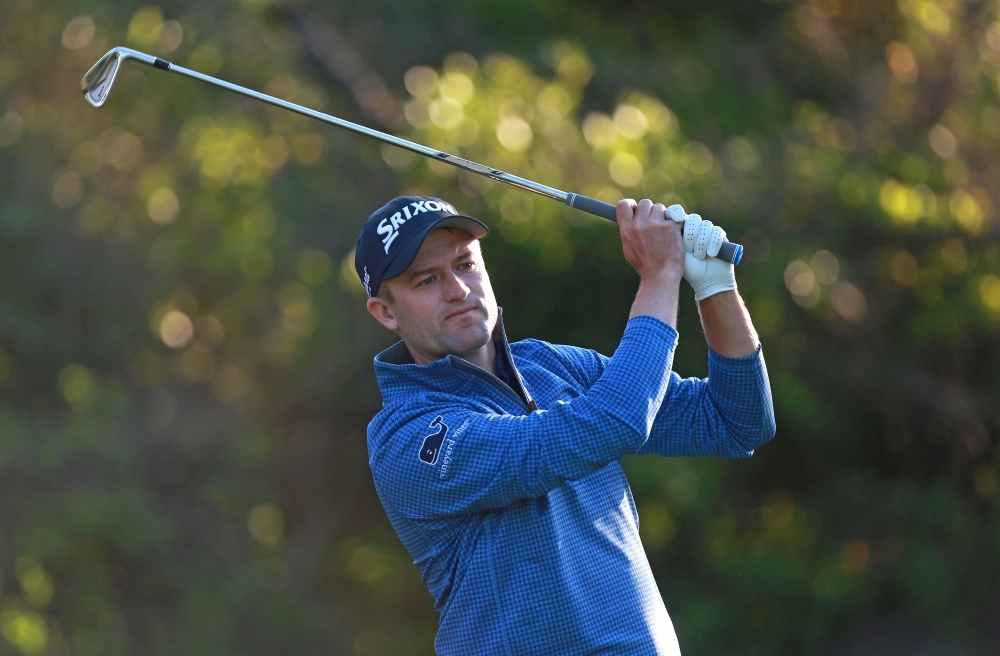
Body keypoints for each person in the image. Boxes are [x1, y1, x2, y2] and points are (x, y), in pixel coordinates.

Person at [354, 195, 775, 655]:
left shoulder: (552, 365)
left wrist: (715, 288)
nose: (457, 289)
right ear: (386, 312)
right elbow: (609, 424)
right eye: (427, 280)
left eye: (466, 263)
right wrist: (660, 276)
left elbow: (736, 420)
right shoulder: (408, 436)